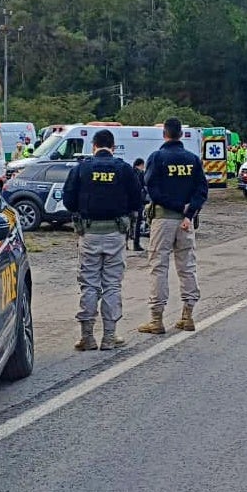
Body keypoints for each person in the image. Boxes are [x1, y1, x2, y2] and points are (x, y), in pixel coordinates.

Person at [63, 129, 142, 351]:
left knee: (89, 284)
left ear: (94, 146)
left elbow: (69, 200)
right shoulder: (124, 169)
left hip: (88, 234)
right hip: (116, 234)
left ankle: (87, 337)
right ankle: (109, 336)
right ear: (113, 147)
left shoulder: (82, 169)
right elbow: (138, 199)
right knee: (112, 285)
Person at [138, 117, 209, 335]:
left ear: (165, 134)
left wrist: (177, 207)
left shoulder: (157, 157)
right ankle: (187, 315)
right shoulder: (193, 159)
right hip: (186, 222)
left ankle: (156, 319)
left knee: (159, 267)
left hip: (163, 219)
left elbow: (152, 189)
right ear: (181, 134)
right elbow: (202, 191)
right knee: (187, 266)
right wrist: (188, 212)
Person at [131, 157, 147, 252]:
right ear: (140, 165)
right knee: (137, 224)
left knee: (128, 224)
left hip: (129, 203)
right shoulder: (141, 174)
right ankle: (136, 244)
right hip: (138, 202)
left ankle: (125, 244)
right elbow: (144, 185)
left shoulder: (130, 172)